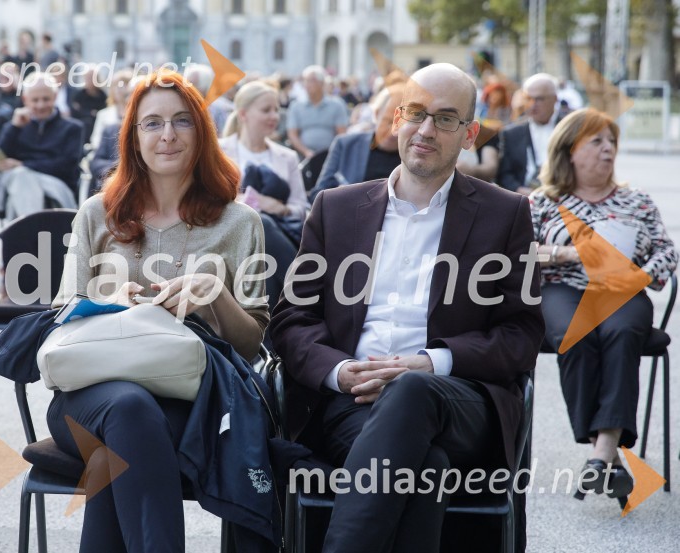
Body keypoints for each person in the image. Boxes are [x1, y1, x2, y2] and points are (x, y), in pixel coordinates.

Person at [270, 62, 545, 553]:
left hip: (460, 399)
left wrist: (431, 363)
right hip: (351, 403)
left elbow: (521, 333)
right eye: (415, 113)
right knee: (427, 467)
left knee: (414, 390)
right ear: (396, 119)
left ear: (470, 134)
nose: (424, 130)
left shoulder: (506, 214)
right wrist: (342, 371)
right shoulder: (335, 208)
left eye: (444, 119)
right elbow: (293, 318)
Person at [48, 70, 275, 552]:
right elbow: (60, 313)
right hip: (89, 393)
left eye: (181, 122)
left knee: (122, 442)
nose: (167, 135)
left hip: (193, 402)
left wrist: (214, 291)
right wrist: (110, 299)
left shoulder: (240, 223)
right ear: (133, 137)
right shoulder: (97, 212)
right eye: (151, 123)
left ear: (202, 131)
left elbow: (252, 344)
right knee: (128, 409)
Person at [529, 107, 677, 499]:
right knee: (577, 333)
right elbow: (518, 255)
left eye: (612, 141)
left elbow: (666, 252)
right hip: (564, 287)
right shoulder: (543, 202)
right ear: (570, 150)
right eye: (597, 141)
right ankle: (606, 456)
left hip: (623, 290)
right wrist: (570, 254)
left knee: (623, 330)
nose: (608, 149)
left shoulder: (637, 201)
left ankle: (602, 453)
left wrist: (640, 276)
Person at [219, 80, 309, 312]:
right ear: (243, 114)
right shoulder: (220, 152)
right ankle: (301, 288)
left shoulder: (286, 156)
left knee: (264, 230)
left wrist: (281, 208)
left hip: (278, 236)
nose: (274, 116)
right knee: (260, 223)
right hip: (230, 237)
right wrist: (241, 202)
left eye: (276, 110)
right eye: (266, 110)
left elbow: (301, 206)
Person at [0, 71, 83, 218]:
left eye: (46, 99)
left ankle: (27, 232)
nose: (40, 105)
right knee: (20, 179)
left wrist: (23, 165)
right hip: (17, 183)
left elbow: (66, 166)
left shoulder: (72, 128)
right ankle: (35, 230)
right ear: (25, 100)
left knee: (20, 179)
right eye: (35, 100)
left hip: (55, 185)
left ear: (55, 97)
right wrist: (14, 128)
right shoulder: (14, 126)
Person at [309, 85, 404, 202]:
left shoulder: (413, 156)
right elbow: (318, 194)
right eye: (388, 121)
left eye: (401, 125)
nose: (392, 132)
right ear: (376, 114)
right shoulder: (345, 145)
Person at [497, 73, 561, 195]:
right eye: (528, 98)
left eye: (539, 99)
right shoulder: (511, 133)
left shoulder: (570, 128)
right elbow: (504, 174)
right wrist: (519, 190)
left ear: (554, 99)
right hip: (525, 200)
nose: (532, 104)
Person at [286, 65, 349, 159]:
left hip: (330, 155)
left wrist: (334, 152)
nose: (307, 84)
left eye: (312, 80)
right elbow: (292, 134)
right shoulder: (296, 106)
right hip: (302, 156)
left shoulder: (337, 105)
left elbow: (342, 133)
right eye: (305, 80)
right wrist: (306, 151)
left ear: (322, 83)